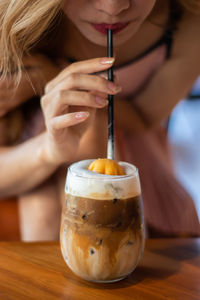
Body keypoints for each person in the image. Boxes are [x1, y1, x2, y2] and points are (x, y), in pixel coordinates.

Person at [0, 0, 199, 241]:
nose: (112, 8)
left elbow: (143, 116)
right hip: (26, 168)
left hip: (140, 162)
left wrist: (51, 76)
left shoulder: (187, 21)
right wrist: (49, 150)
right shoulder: (12, 28)